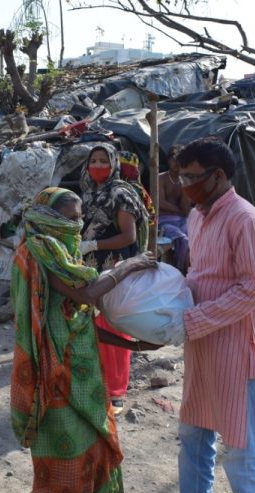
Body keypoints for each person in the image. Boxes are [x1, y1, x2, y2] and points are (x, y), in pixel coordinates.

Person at [9, 187, 160, 493]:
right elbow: (87, 295)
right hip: (55, 377)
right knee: (67, 460)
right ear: (48, 219)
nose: (76, 226)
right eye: (70, 218)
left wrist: (133, 346)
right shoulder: (41, 251)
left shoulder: (62, 253)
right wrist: (128, 265)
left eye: (80, 218)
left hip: (83, 372)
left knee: (94, 449)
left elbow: (79, 321)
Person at [174, 137, 255, 493]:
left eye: (192, 176)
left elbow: (252, 291)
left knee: (240, 451)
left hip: (236, 350)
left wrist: (192, 321)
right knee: (193, 438)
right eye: (181, 177)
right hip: (201, 346)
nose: (185, 185)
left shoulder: (245, 220)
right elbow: (199, 274)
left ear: (218, 176)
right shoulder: (195, 216)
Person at [79, 143, 150, 415]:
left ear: (113, 164)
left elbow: (128, 236)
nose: (97, 166)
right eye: (93, 160)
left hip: (114, 268)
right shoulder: (88, 193)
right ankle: (95, 384)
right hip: (89, 268)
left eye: (102, 160)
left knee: (112, 326)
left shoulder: (121, 193)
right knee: (91, 326)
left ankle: (115, 392)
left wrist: (95, 245)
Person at [158, 144, 192, 273]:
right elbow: (160, 202)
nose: (176, 162)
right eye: (173, 158)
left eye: (179, 159)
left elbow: (185, 208)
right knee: (183, 239)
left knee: (194, 236)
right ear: (168, 160)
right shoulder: (161, 178)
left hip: (181, 219)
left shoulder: (184, 180)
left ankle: (193, 269)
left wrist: (185, 185)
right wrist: (178, 210)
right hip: (164, 220)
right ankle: (180, 271)